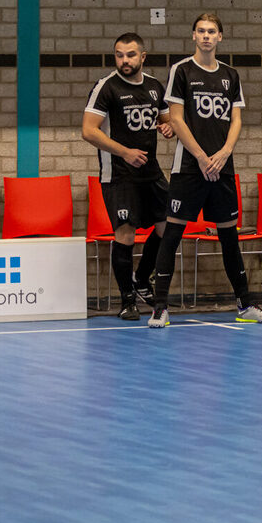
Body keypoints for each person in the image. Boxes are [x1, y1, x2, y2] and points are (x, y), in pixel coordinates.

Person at [148, 13, 262, 327]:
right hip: (190, 168)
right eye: (201, 31)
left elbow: (236, 120)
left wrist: (224, 152)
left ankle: (245, 304)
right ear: (194, 35)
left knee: (228, 236)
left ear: (220, 37)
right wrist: (201, 157)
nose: (206, 36)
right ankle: (160, 308)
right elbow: (176, 119)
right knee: (172, 234)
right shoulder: (181, 70)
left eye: (212, 31)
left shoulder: (231, 75)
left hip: (222, 168)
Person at [81, 32, 173, 320]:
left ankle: (142, 278)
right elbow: (89, 131)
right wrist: (125, 152)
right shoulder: (106, 87)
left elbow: (167, 119)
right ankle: (127, 300)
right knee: (126, 233)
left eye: (130, 55)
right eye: (119, 55)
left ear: (142, 57)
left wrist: (167, 127)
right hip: (119, 174)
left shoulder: (155, 87)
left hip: (151, 172)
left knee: (168, 226)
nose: (125, 60)